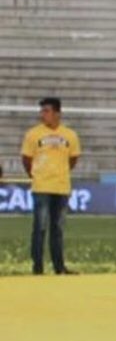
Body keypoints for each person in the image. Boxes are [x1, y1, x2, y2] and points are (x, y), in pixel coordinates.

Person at [20, 97, 80, 275]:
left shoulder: (70, 135)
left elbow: (74, 158)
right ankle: (37, 267)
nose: (43, 114)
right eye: (42, 111)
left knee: (58, 229)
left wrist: (60, 172)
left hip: (61, 187)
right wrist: (36, 175)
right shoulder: (33, 134)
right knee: (40, 227)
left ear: (57, 113)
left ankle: (59, 266)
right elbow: (26, 158)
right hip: (41, 187)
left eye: (46, 111)